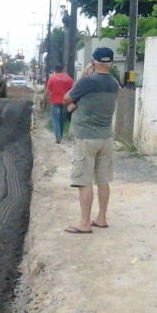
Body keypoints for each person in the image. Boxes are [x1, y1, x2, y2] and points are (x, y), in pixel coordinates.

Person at [62, 47, 120, 234]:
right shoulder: (114, 83)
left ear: (93, 62)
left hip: (86, 137)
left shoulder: (87, 81)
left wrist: (83, 77)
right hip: (106, 137)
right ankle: (101, 218)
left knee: (84, 181)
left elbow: (66, 99)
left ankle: (84, 223)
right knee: (103, 180)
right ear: (111, 63)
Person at [45, 64, 74, 144]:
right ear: (63, 69)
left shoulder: (52, 79)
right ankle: (60, 135)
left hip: (55, 102)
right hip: (65, 102)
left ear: (55, 70)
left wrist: (44, 101)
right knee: (62, 119)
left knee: (55, 119)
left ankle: (58, 137)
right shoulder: (69, 79)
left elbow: (47, 91)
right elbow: (73, 90)